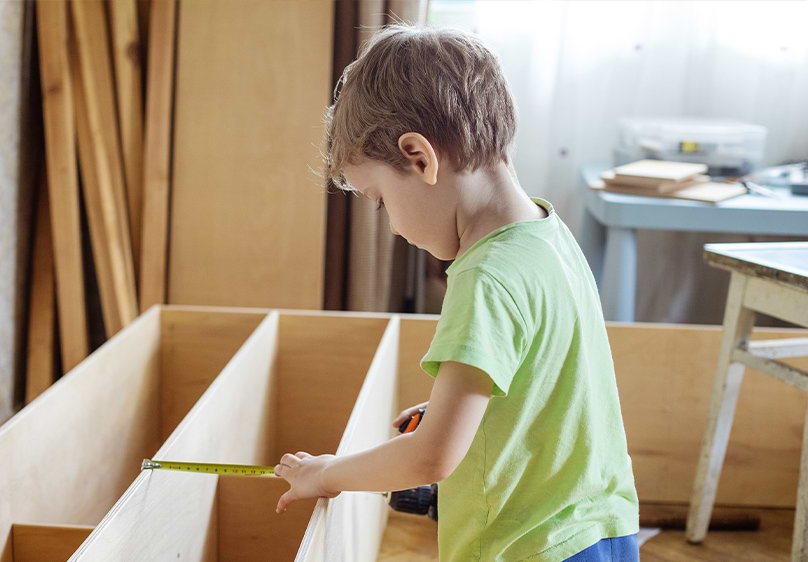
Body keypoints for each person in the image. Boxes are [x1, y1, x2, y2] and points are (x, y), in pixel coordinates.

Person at [273, 24, 640, 561]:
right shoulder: (547, 235)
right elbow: (551, 373)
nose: (393, 228)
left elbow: (430, 459)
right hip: (602, 528)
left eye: (380, 200)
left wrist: (328, 473)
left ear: (420, 158)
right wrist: (456, 402)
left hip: (527, 548)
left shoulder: (483, 278)